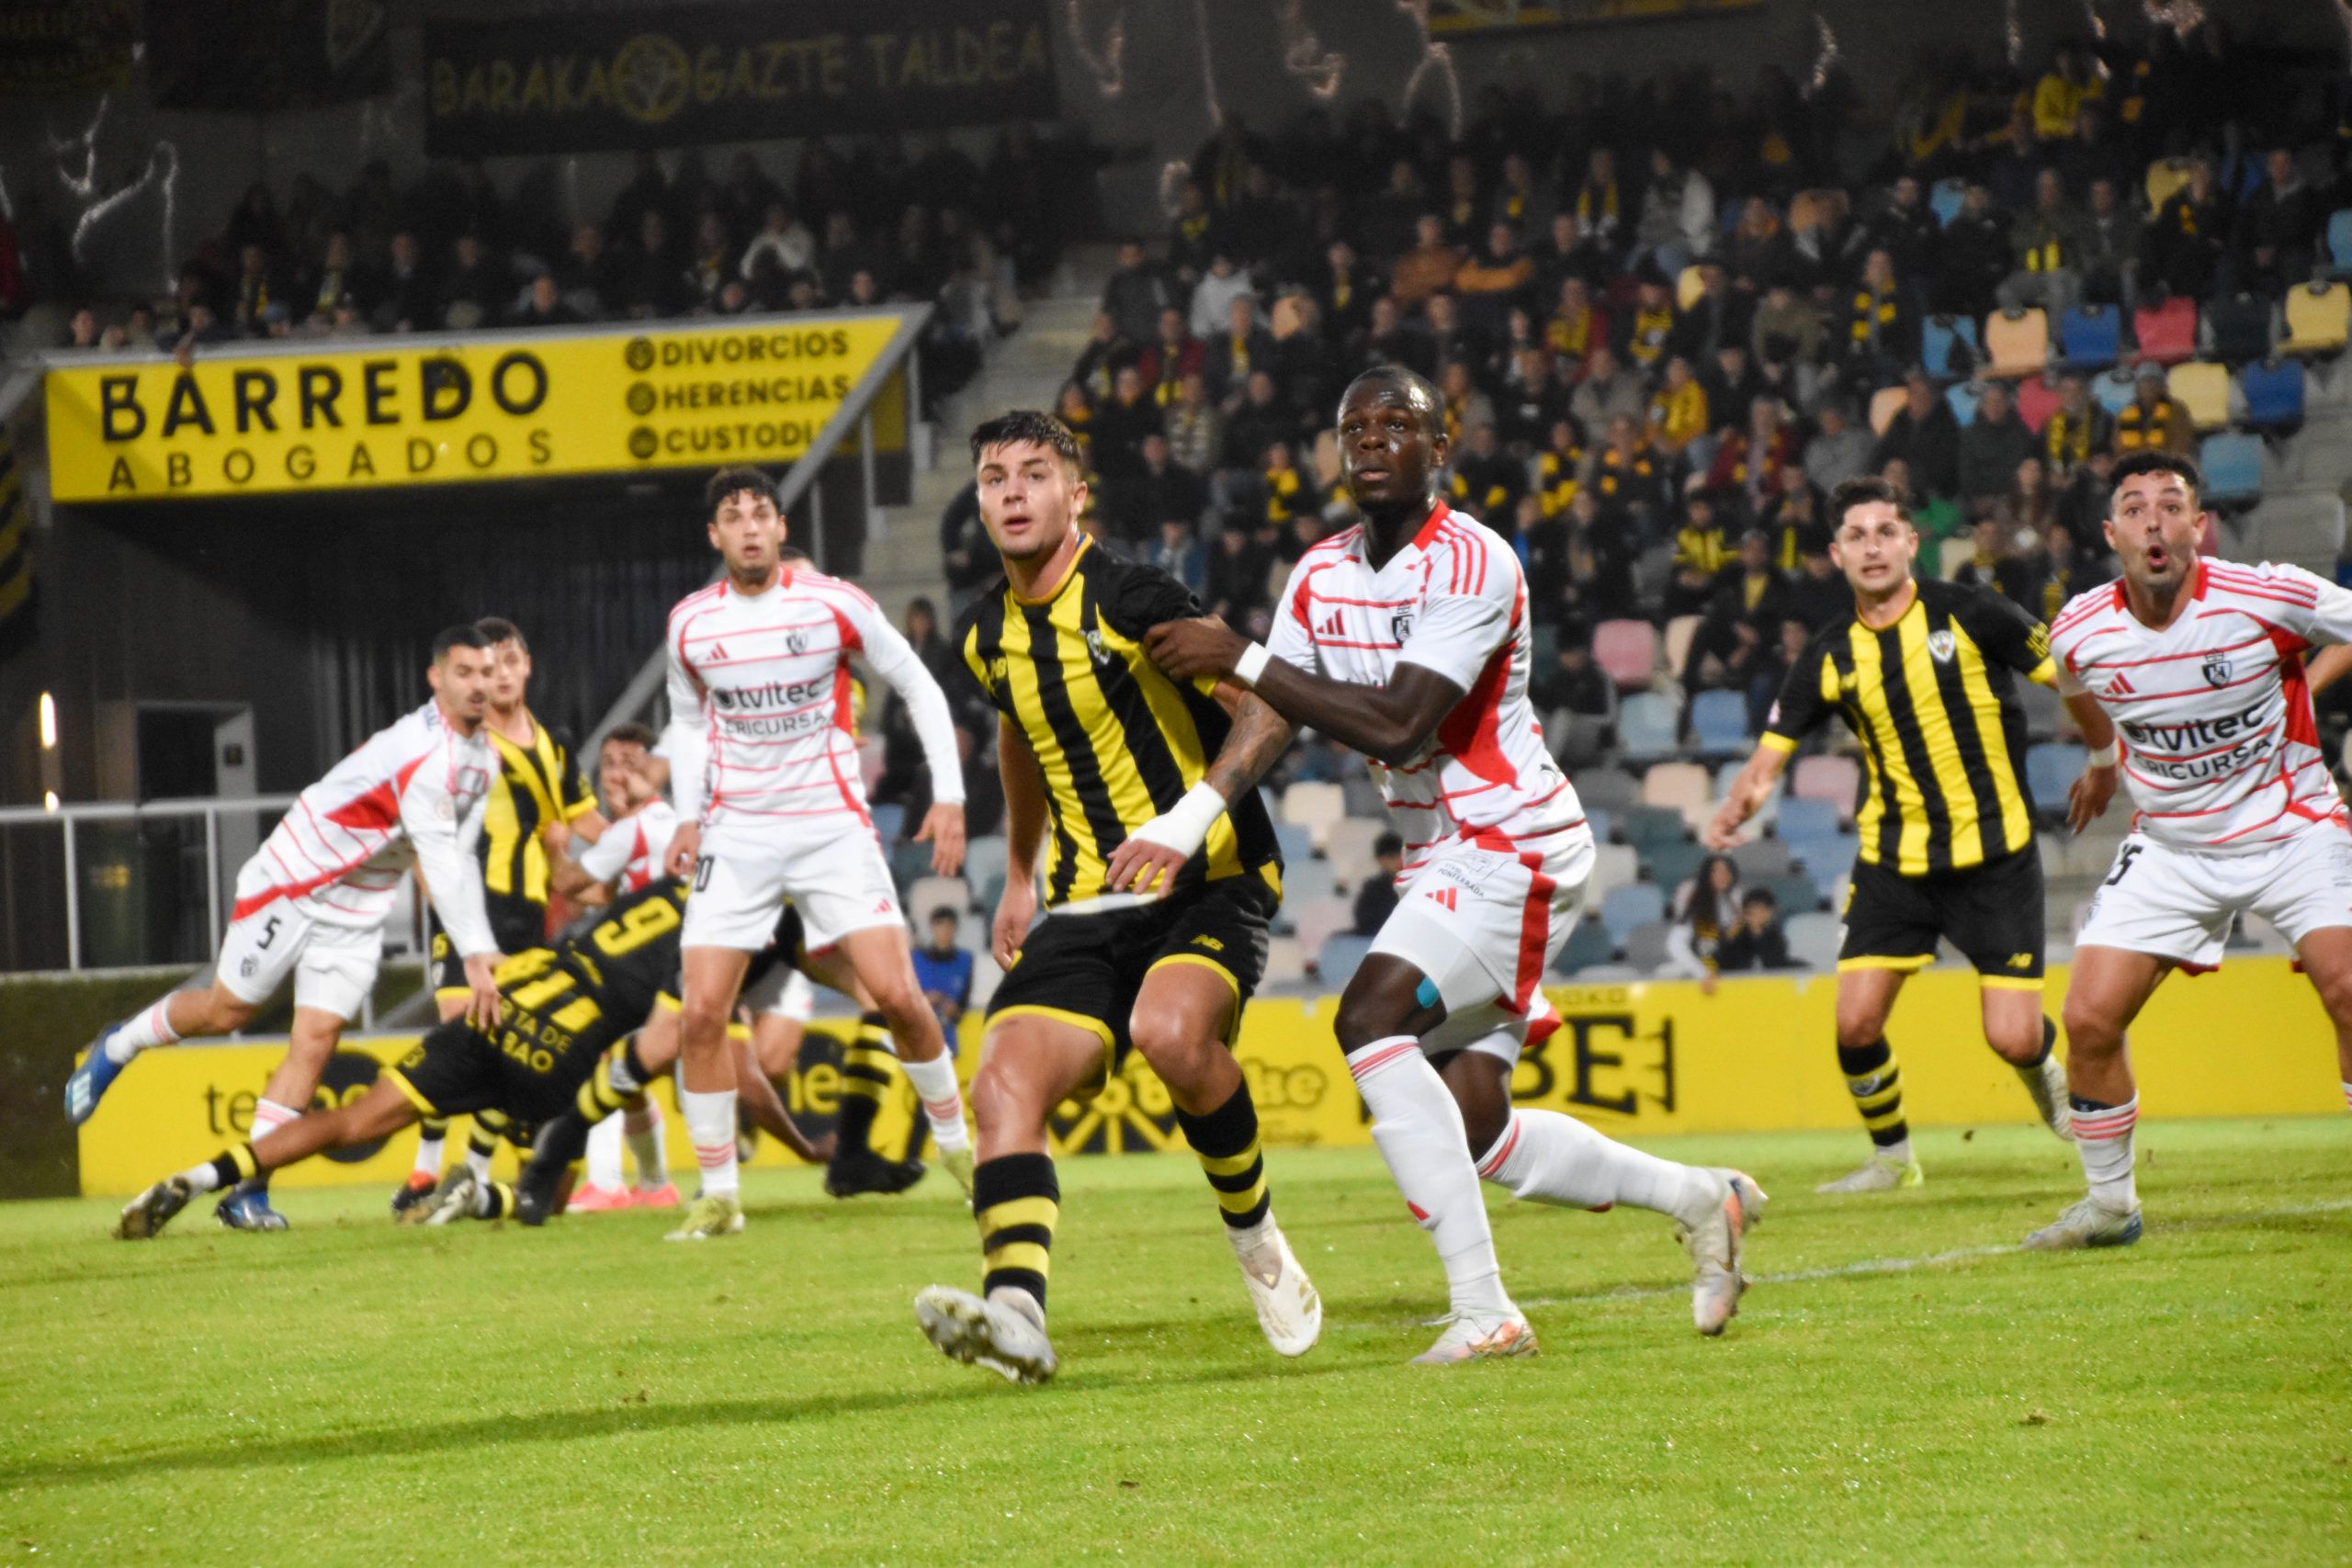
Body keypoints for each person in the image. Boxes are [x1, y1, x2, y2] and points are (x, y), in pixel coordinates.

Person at [1146, 367, 1764, 1359]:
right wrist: (1191, 815)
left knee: (1367, 1019)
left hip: (1510, 838)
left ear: (1442, 449)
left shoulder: (1473, 561)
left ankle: (1486, 1312)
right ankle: (1702, 1201)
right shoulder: (1320, 572)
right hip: (1442, 852)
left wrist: (1244, 654)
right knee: (1476, 1126)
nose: (1372, 441)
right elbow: (1271, 717)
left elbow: (1396, 727)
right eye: (1355, 427)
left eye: (1399, 424)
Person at [912, 411, 1320, 1386]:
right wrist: (1016, 873)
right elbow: (1022, 731)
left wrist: (1185, 823)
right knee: (1002, 1076)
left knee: (1170, 1035)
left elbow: (1270, 710)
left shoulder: (1134, 596)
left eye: (1034, 474)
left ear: (1075, 494)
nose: (1011, 492)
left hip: (1206, 882)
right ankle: (1015, 1312)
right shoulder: (982, 636)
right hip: (1086, 905)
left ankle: (1256, 1237)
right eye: (994, 477)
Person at [67, 627, 506, 1232]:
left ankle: (247, 1190)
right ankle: (118, 1044)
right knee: (228, 1011)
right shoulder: (424, 752)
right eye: (465, 672)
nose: (480, 684)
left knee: (317, 1039)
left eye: (486, 672)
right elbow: (438, 857)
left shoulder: (486, 757)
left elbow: (456, 860)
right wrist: (478, 954)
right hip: (294, 881)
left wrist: (477, 944)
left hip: (357, 910)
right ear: (436, 678)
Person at [1706, 477, 2074, 1193]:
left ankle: (2048, 1073)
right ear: (1836, 554)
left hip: (1994, 854)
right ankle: (1892, 1157)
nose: (1871, 546)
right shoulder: (1829, 653)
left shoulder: (1972, 612)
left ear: (1911, 541)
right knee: (1855, 1023)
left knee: (2012, 1037)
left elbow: (2075, 674)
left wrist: (2108, 750)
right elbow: (1768, 755)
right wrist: (1737, 805)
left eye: (1884, 531)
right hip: (1895, 861)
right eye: (1855, 535)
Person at [2031, 451, 2352, 1249]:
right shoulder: (2081, 627)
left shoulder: (2266, 593)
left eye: (2171, 506)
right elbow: (2075, 687)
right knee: (2088, 1016)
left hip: (2290, 822)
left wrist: (2307, 685)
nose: (2154, 521)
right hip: (2172, 842)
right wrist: (2105, 763)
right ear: (2113, 534)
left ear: (2198, 526)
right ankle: (2110, 1207)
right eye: (2135, 509)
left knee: (2346, 984)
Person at [112, 878, 814, 1238]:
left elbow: (583, 899)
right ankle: (480, 1193)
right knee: (553, 1187)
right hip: (567, 1039)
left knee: (355, 1119)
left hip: (509, 998)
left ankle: (199, 1175)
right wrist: (806, 1149)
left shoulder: (671, 887)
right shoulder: (731, 928)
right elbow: (681, 1048)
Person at [658, 466, 973, 1239]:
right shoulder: (691, 624)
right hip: (737, 837)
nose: (751, 527)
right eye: (734, 517)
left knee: (899, 997)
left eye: (761, 513)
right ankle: (720, 1195)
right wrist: (685, 816)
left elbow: (919, 686)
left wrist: (950, 795)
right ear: (716, 535)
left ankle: (964, 1152)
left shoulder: (832, 603)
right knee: (701, 1013)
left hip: (832, 827)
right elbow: (690, 724)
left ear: (778, 522)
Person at [399, 616, 609, 1215]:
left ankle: (472, 1180)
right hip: (465, 917)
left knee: (508, 1054)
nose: (500, 675)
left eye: (509, 661)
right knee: (461, 1037)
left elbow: (590, 826)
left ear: (527, 665)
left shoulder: (555, 744)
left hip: (525, 920)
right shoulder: (455, 743)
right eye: (487, 666)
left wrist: (652, 837)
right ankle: (425, 1174)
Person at [561, 723, 681, 1213]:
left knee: (598, 1057)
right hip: (671, 960)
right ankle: (654, 1186)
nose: (614, 776)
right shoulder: (661, 825)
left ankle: (608, 1183)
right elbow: (603, 895)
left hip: (656, 963)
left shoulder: (634, 830)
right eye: (608, 764)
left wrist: (550, 834)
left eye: (628, 765)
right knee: (624, 1074)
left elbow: (570, 884)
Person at [1667, 854, 1742, 989]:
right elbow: (1675, 944)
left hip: (1728, 973)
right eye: (1716, 871)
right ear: (1707, 874)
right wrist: (1702, 974)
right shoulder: (1698, 903)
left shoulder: (1736, 901)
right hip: (1697, 976)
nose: (1722, 875)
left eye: (1727, 871)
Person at [913, 907, 974, 1037]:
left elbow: (963, 1003)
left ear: (955, 928)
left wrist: (953, 1010)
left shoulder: (965, 960)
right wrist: (925, 1000)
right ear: (932, 927)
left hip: (948, 1035)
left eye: (949, 926)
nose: (945, 931)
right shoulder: (916, 958)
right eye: (940, 925)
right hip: (919, 1034)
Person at [1715, 888, 1803, 973]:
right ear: (1744, 912)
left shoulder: (1776, 937)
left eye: (1763, 910)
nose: (1758, 915)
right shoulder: (1734, 936)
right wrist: (1729, 937)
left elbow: (1774, 964)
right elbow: (1722, 963)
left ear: (1770, 913)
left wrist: (1757, 932)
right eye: (1753, 910)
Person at [1351, 831, 1404, 936]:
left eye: (1402, 855)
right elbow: (1366, 924)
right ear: (1379, 860)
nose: (1399, 861)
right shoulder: (1372, 890)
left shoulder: (1420, 884)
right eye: (1392, 857)